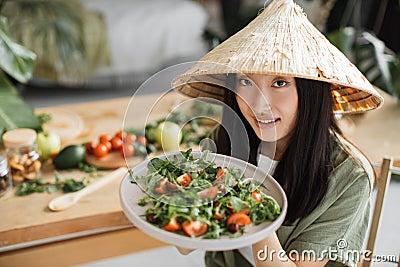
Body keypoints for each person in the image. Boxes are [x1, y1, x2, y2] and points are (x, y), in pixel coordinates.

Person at [171, 0, 384, 266]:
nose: (259, 105)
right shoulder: (223, 140)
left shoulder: (348, 177)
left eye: (279, 82)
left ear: (311, 93)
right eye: (246, 81)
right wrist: (185, 196)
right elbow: (185, 245)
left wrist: (249, 203)